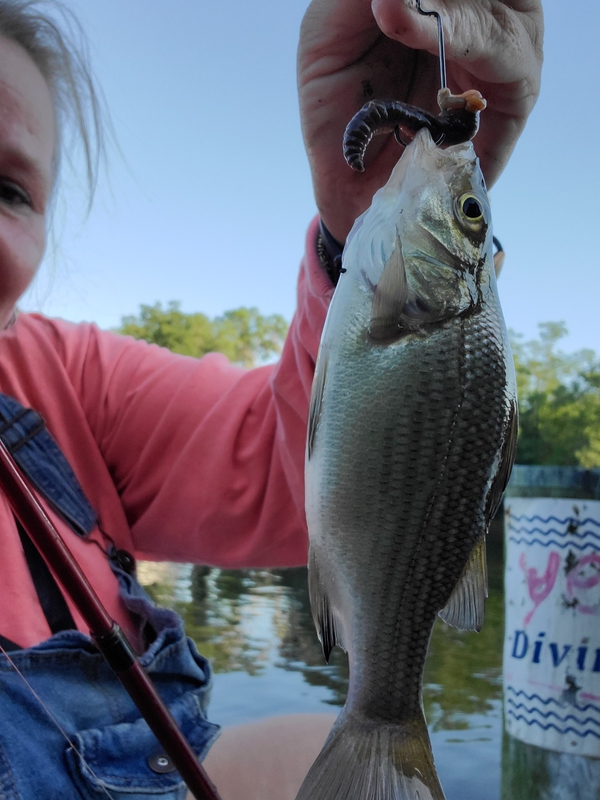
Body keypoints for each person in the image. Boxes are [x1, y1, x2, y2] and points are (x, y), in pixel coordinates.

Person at [0, 0, 543, 798]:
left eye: (8, 190)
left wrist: (357, 220)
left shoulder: (66, 384)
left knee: (317, 761)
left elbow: (292, 470)